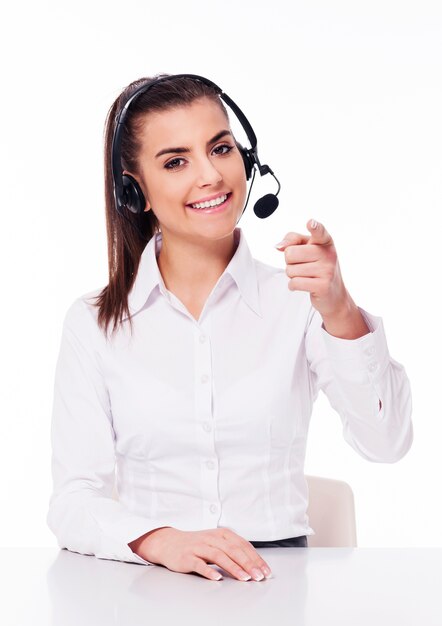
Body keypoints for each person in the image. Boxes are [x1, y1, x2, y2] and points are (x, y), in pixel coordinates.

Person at [47, 73, 413, 583]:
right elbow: (72, 500)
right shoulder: (94, 323)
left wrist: (339, 308)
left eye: (220, 148)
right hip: (150, 579)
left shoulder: (300, 303)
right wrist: (160, 540)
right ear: (135, 192)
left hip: (278, 583)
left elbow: (387, 441)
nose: (211, 176)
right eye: (176, 161)